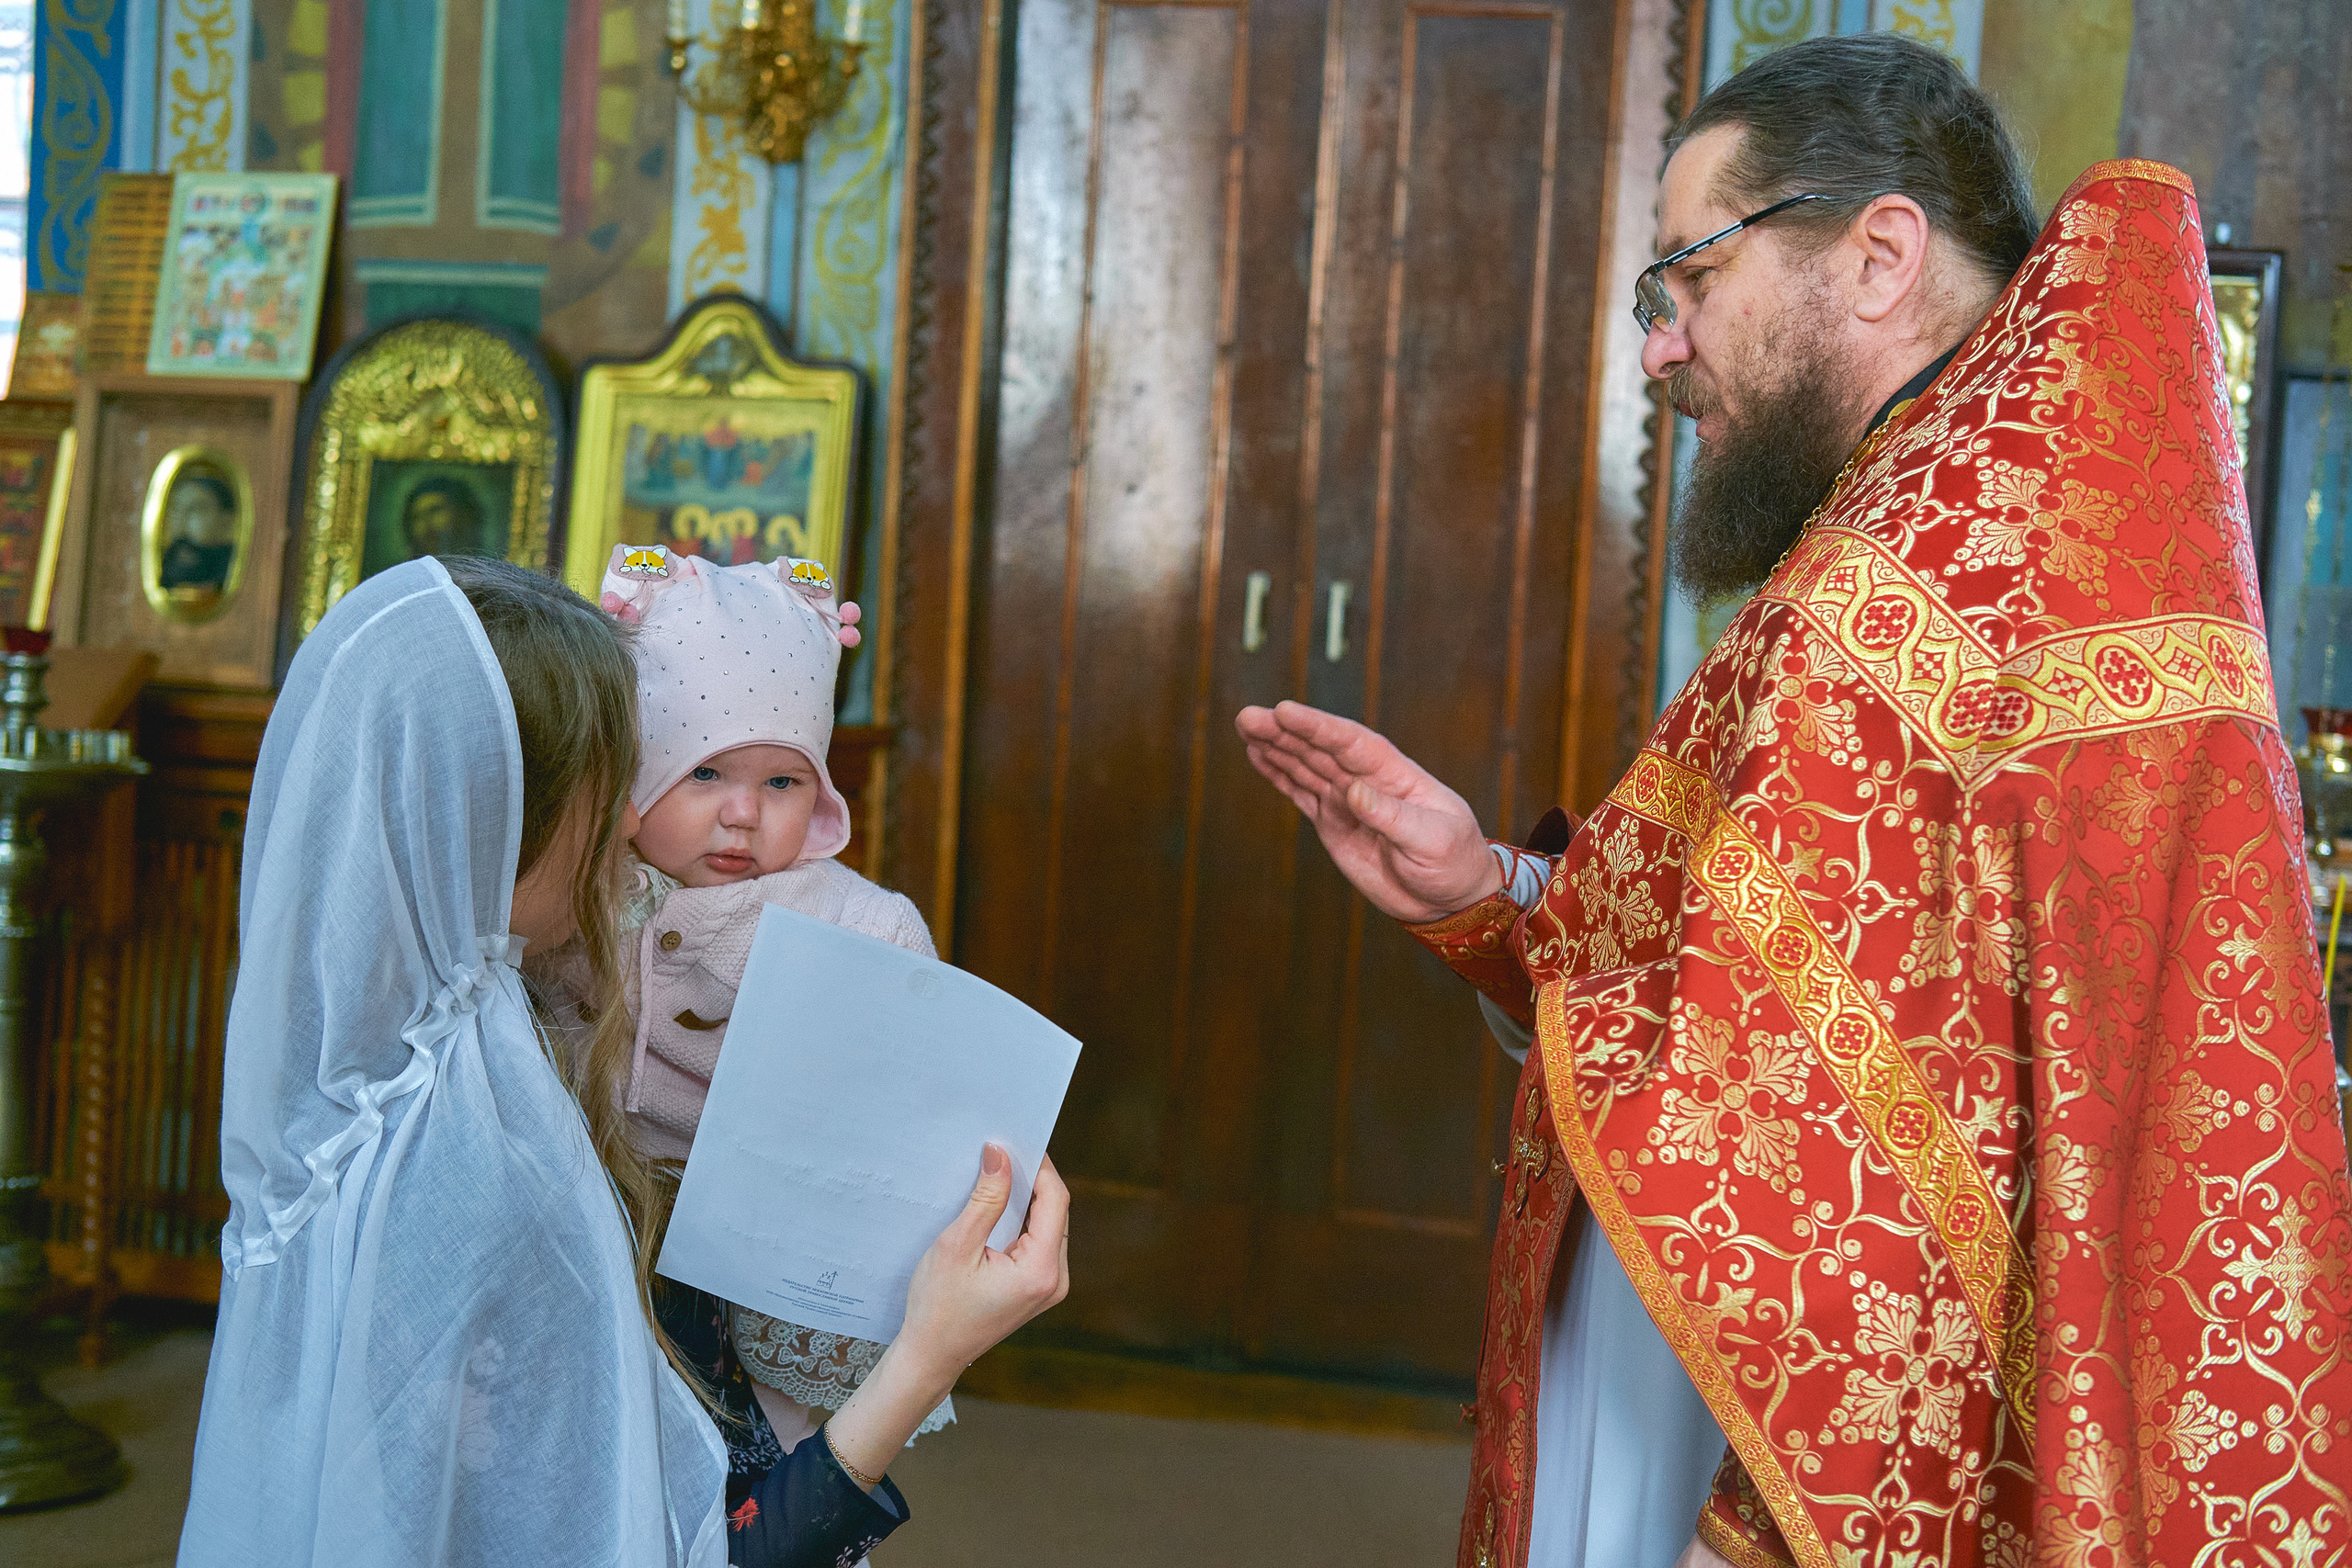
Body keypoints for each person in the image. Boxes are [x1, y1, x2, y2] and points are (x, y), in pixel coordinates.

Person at [1239, 34, 2352, 1568]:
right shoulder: (1991, 528)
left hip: (1769, 1469)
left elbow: (1882, 1179)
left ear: (1880, 255)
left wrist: (1759, 1533)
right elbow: (1788, 999)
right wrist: (1493, 886)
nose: (1659, 346)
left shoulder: (1905, 587)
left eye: (1684, 278)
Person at [179, 555, 1069, 1568]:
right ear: (511, 815)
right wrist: (927, 1353)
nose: (636, 834)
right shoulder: (499, 1171)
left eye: (779, 781)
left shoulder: (377, 1075)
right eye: (625, 788)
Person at [553, 543, 953, 1475]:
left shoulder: (858, 926)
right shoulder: (576, 894)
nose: (744, 815)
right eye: (703, 775)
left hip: (762, 1268)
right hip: (592, 1232)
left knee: (761, 1462)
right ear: (630, 773)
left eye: (783, 783)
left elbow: (916, 1089)